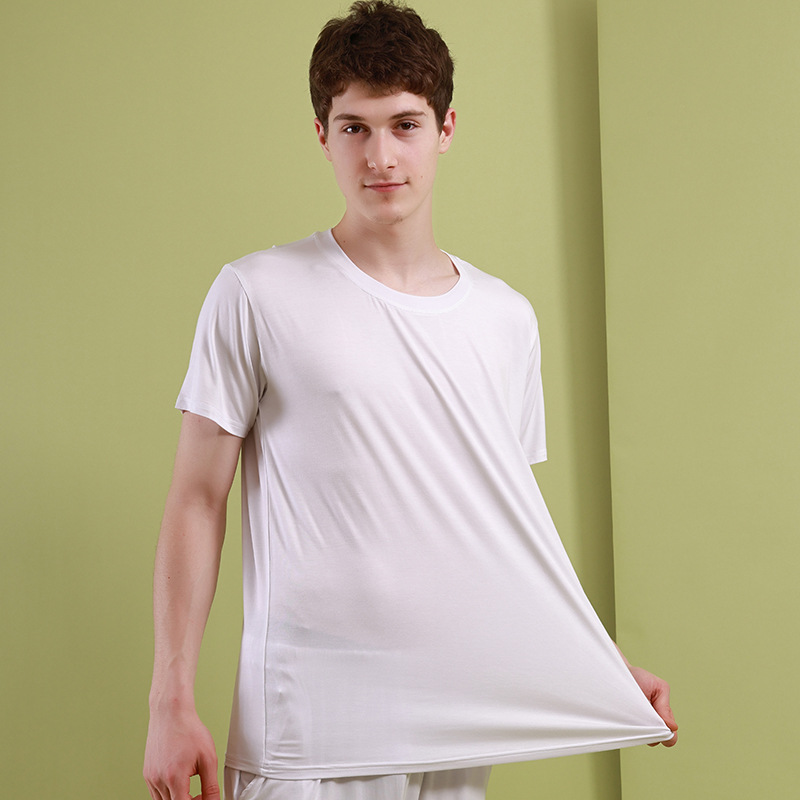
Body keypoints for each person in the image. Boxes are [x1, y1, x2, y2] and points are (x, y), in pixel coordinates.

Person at [143, 3, 677, 799]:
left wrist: (597, 664)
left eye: (404, 124)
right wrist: (170, 699)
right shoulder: (257, 293)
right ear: (322, 135)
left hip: (458, 723)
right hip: (311, 729)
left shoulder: (505, 319)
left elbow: (499, 530)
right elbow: (196, 499)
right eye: (354, 128)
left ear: (445, 128)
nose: (381, 156)